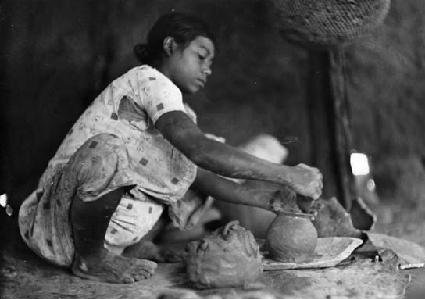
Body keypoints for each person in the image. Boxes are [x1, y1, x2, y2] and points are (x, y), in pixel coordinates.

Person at [18, 11, 323, 284]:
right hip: (57, 228)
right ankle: (91, 260)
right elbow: (201, 150)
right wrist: (287, 174)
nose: (208, 69)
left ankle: (134, 247)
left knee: (180, 169)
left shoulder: (180, 113)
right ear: (170, 46)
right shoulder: (147, 79)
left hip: (104, 235)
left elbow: (202, 175)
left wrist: (271, 200)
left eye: (211, 63)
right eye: (201, 56)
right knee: (108, 150)